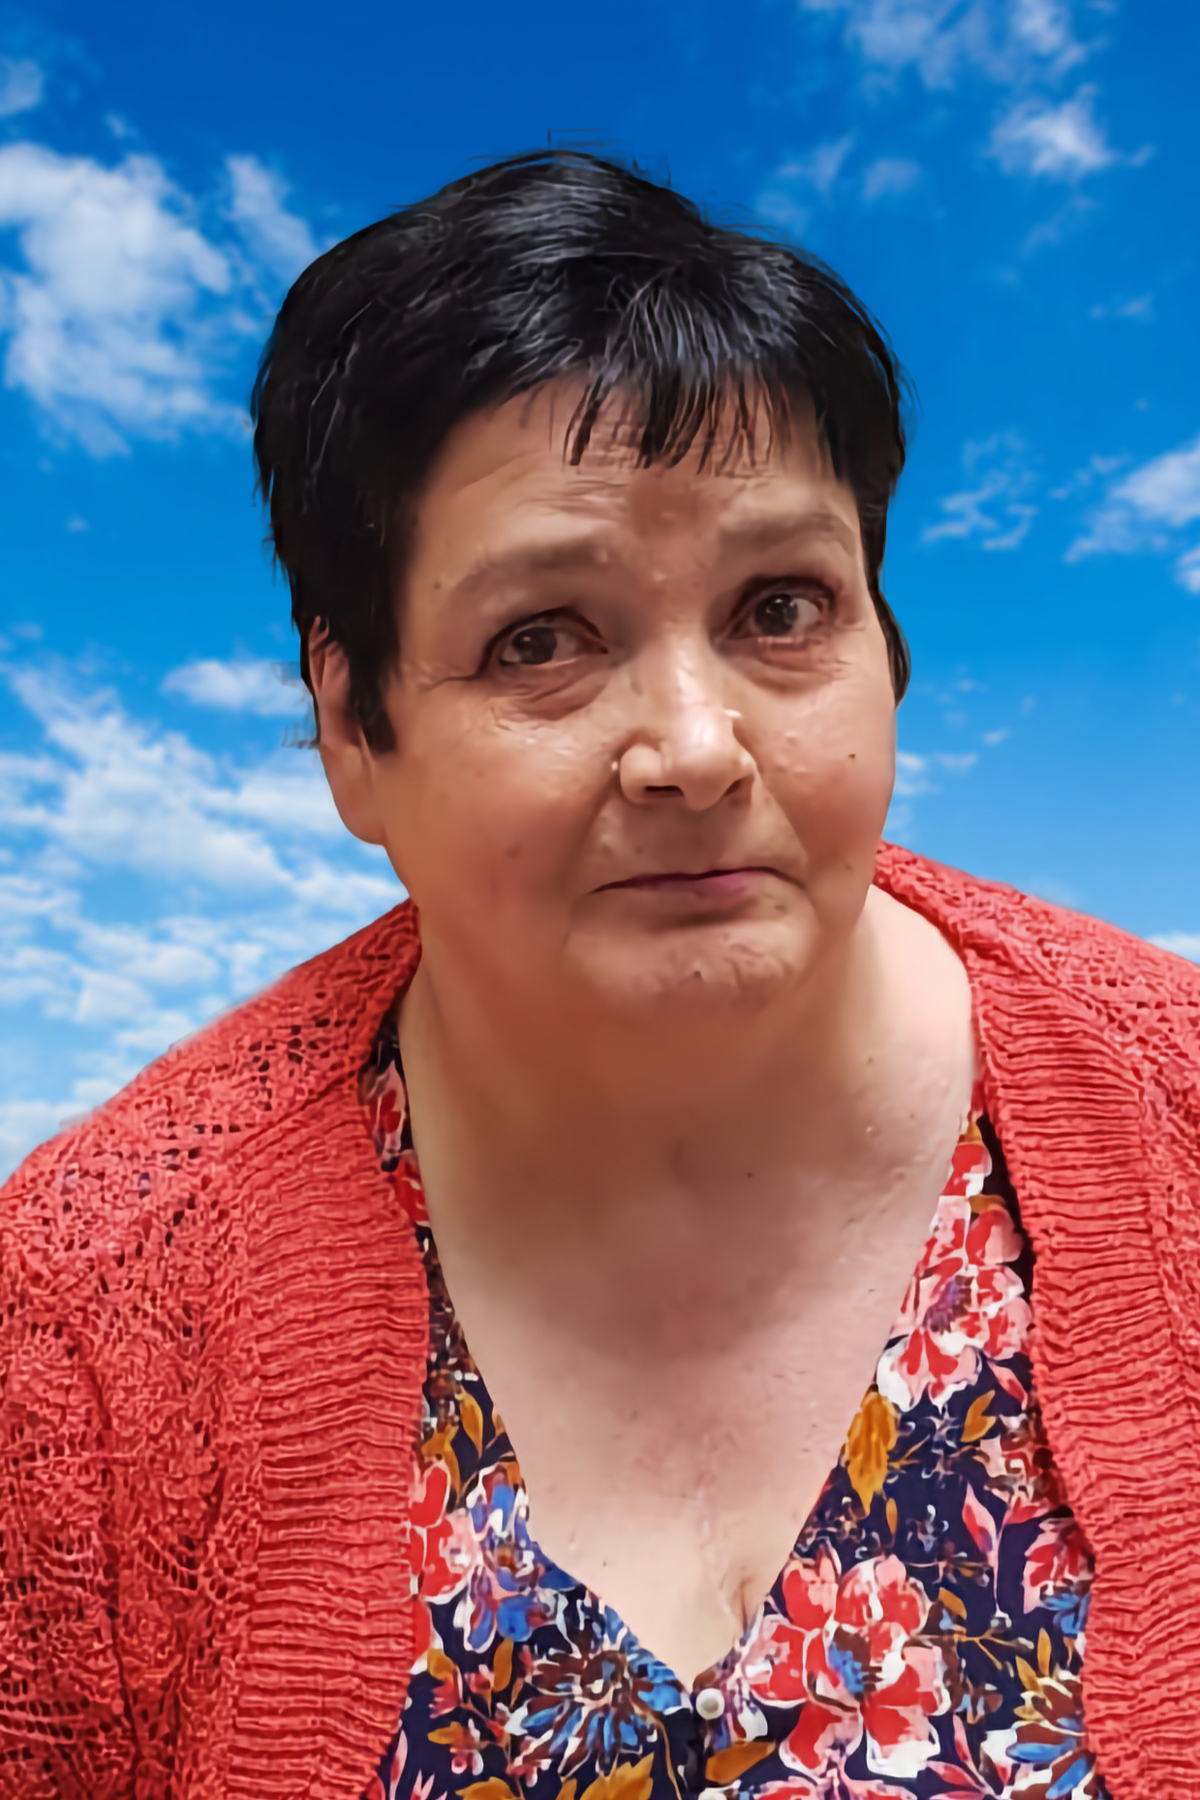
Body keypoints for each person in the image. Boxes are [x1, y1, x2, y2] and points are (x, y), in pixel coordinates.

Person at [0, 151, 1196, 1800]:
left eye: (781, 607)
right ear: (351, 729)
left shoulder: (1177, 1128)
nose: (696, 748)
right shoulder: (75, 1344)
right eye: (542, 639)